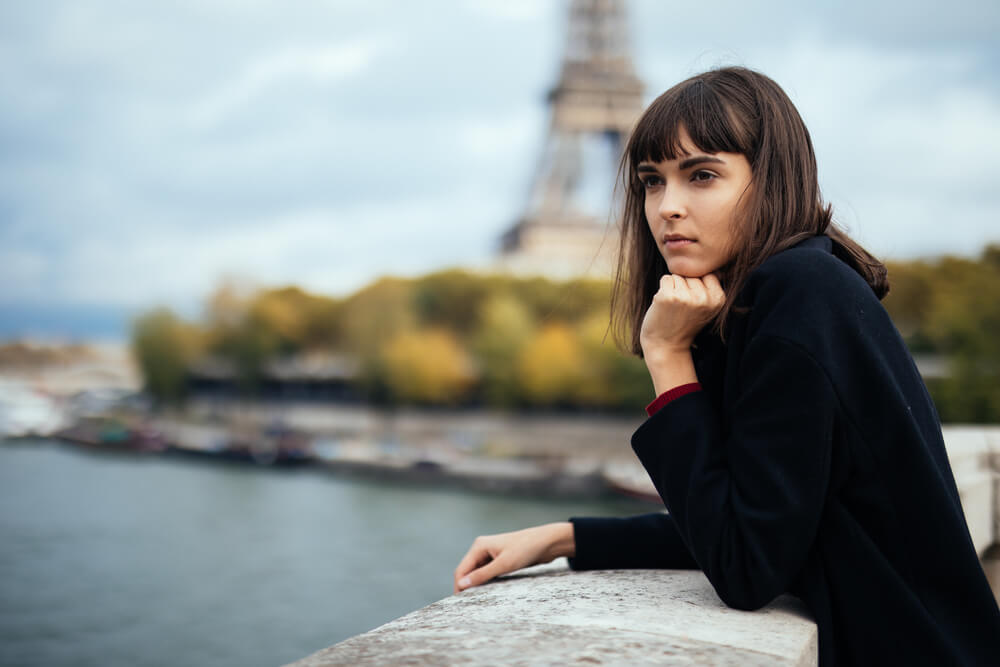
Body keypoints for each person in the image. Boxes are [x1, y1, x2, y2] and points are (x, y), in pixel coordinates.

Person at [453, 67, 1000, 665]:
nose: (668, 208)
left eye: (702, 175)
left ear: (771, 180)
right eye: (652, 182)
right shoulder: (789, 291)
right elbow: (762, 517)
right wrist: (569, 536)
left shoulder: (799, 296)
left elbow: (744, 564)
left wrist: (667, 357)